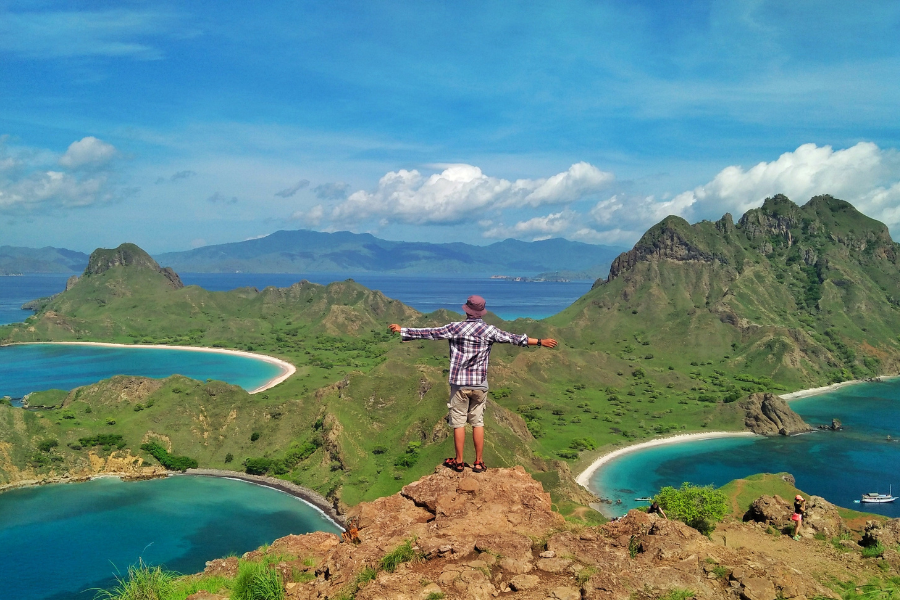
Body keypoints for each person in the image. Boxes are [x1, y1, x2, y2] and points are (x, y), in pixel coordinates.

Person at [389, 294, 557, 473]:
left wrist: (403, 330)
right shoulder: (489, 331)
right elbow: (515, 338)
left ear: (467, 310)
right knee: (478, 422)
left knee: (459, 423)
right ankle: (478, 462)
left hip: (459, 384)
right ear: (482, 312)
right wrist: (540, 342)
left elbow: (430, 333)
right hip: (479, 384)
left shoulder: (455, 328)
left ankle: (459, 462)